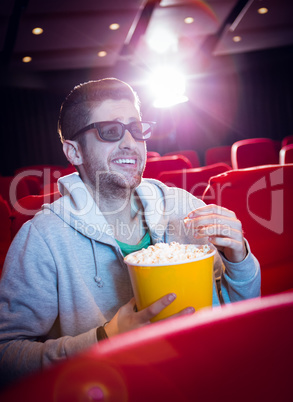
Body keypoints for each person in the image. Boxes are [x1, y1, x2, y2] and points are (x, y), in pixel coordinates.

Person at [0, 78, 260, 388]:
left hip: (204, 378)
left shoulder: (183, 206)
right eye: (110, 131)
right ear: (74, 151)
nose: (130, 143)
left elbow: (238, 307)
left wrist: (239, 258)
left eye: (136, 129)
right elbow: (6, 357)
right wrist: (104, 338)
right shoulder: (42, 238)